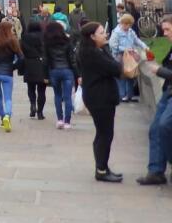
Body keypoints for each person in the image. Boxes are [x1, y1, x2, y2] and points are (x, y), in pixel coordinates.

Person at [77, 21, 124, 182]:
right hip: (100, 97)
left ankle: (102, 166)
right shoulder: (92, 54)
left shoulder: (96, 50)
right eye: (102, 32)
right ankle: (101, 170)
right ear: (92, 36)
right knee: (105, 134)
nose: (106, 34)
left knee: (102, 133)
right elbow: (116, 69)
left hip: (99, 96)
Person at [137, 14, 172, 186]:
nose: (164, 33)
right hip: (167, 92)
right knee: (155, 129)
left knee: (166, 125)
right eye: (163, 29)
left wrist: (159, 71)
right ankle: (156, 171)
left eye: (167, 29)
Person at [43, 20, 79, 129]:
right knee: (67, 97)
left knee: (57, 95)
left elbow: (45, 60)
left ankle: (59, 120)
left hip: (54, 71)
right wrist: (77, 74)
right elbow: (72, 59)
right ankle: (67, 122)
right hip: (67, 70)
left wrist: (45, 75)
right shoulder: (67, 41)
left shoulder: (47, 43)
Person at [109, 13, 149, 103]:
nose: (128, 26)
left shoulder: (130, 32)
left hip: (129, 56)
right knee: (122, 76)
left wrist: (145, 47)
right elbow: (113, 46)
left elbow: (137, 40)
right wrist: (126, 49)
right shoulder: (116, 33)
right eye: (126, 24)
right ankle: (122, 95)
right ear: (123, 23)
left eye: (129, 24)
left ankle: (129, 95)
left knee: (131, 75)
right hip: (119, 56)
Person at [20, 20, 47, 119]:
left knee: (30, 88)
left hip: (29, 64)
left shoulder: (25, 37)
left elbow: (21, 50)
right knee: (41, 90)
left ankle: (32, 105)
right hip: (41, 64)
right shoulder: (44, 36)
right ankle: (40, 113)